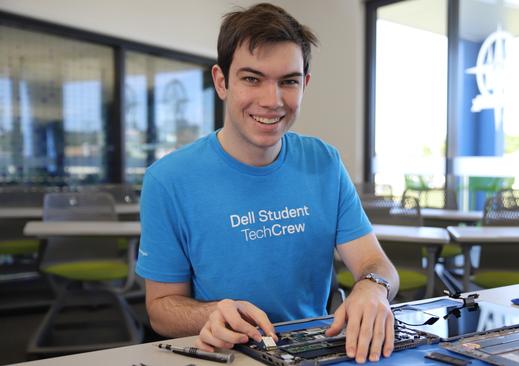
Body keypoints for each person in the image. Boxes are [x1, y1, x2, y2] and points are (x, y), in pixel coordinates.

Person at [135, 3, 399, 363]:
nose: (271, 101)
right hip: (228, 354)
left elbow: (376, 263)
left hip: (315, 350)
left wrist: (373, 288)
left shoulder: (324, 161)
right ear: (221, 81)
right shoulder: (168, 180)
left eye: (288, 81)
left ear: (304, 85)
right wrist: (208, 315)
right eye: (252, 79)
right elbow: (160, 308)